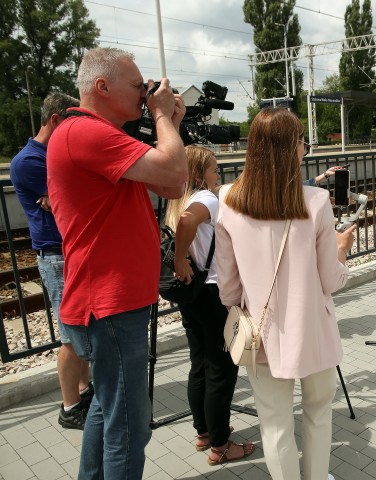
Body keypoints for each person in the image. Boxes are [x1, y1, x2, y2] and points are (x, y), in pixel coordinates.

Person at [46, 47, 188, 480]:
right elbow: (179, 171)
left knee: (107, 408)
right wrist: (162, 117)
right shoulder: (85, 132)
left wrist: (171, 123)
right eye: (138, 86)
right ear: (102, 87)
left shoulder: (99, 135)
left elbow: (170, 183)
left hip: (114, 299)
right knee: (127, 425)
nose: (146, 94)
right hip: (111, 302)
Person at [215, 107, 356, 480]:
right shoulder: (316, 201)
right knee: (318, 414)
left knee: (274, 426)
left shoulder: (228, 198)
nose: (303, 149)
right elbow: (330, 280)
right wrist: (343, 251)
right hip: (313, 331)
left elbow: (228, 288)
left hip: (261, 334)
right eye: (301, 142)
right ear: (290, 147)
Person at [164, 145, 254, 465]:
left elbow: (183, 224)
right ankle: (220, 444)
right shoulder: (207, 199)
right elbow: (187, 224)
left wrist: (182, 262)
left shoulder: (180, 200)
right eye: (215, 170)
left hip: (192, 294)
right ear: (200, 175)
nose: (219, 175)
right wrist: (178, 260)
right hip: (213, 293)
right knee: (221, 370)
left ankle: (203, 431)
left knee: (199, 364)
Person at [10, 93, 94, 430]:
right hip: (56, 255)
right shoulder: (28, 161)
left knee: (82, 328)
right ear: (56, 121)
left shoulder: (54, 155)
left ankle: (85, 392)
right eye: (72, 126)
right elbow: (78, 192)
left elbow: (77, 192)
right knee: (71, 335)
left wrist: (62, 195)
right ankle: (70, 407)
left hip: (72, 250)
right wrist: (67, 193)